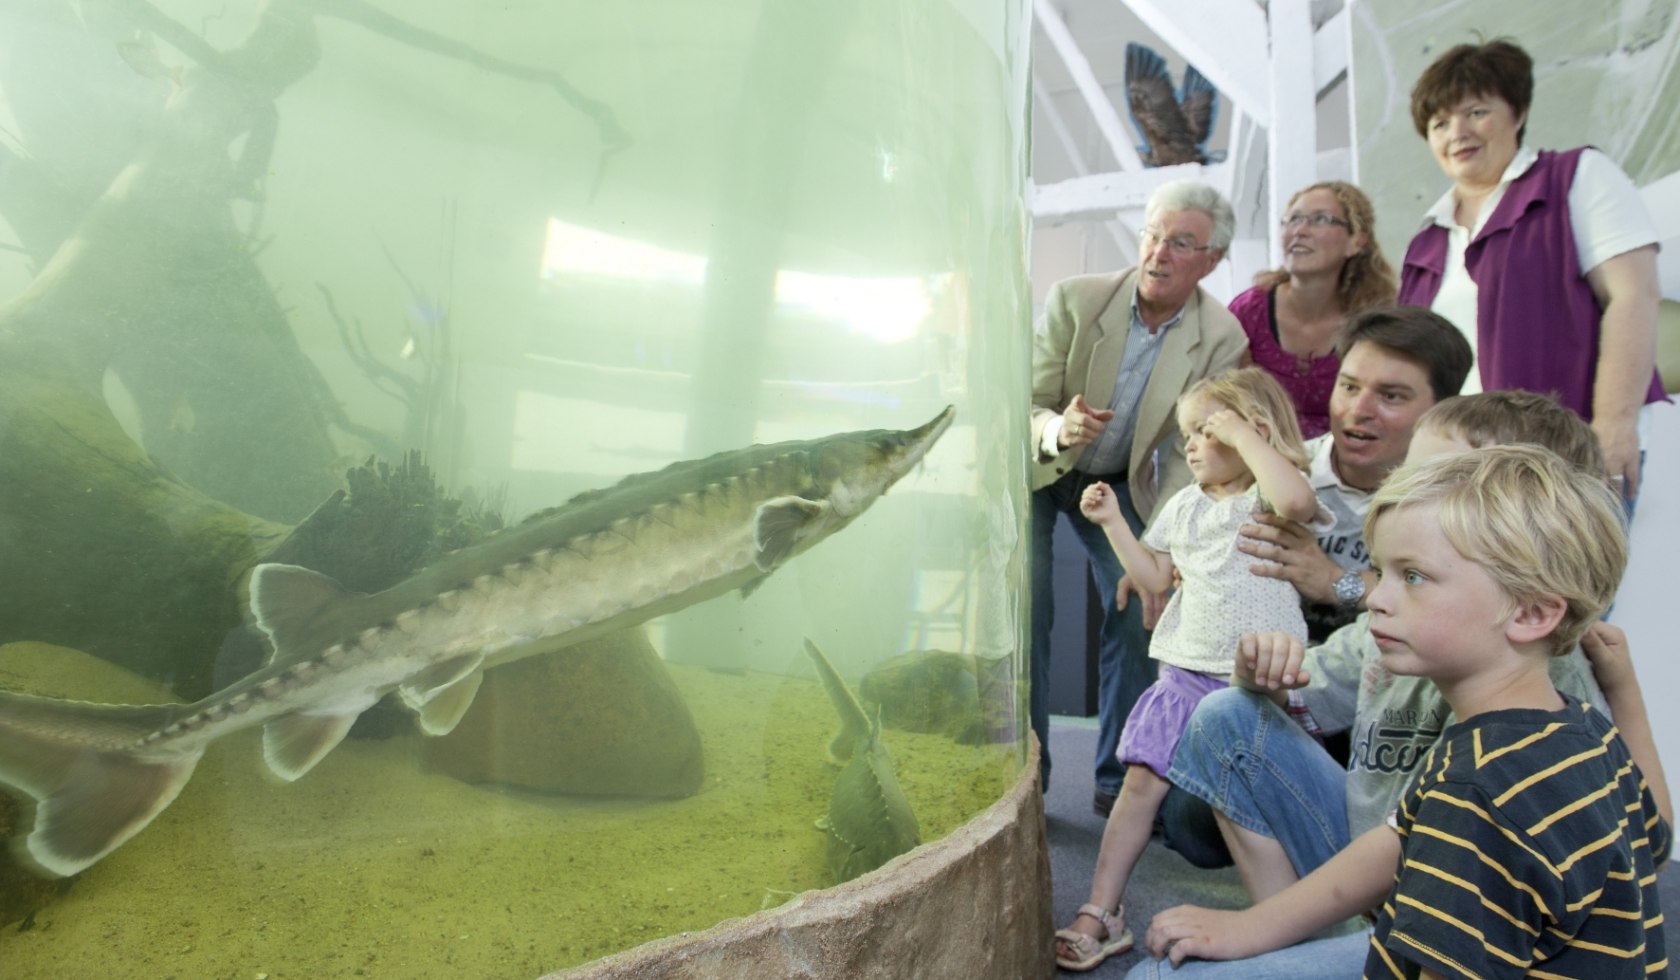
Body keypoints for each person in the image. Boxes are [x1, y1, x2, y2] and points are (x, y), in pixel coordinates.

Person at [1130, 446, 1671, 978]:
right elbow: (1398, 839)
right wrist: (1253, 930)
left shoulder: (1477, 791)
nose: (1378, 599)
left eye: (1412, 577)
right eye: (1381, 573)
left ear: (1530, 613)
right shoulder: (1578, 727)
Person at [1156, 391, 1615, 915]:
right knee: (1226, 715)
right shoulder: (1390, 630)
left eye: (1440, 483)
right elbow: (1286, 703)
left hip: (1441, 919)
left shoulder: (1547, 700)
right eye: (1404, 479)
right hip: (1366, 871)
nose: (1400, 500)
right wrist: (1263, 675)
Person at [1054, 368, 1327, 972]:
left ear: (1251, 431)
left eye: (1206, 431)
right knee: (1138, 790)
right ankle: (1102, 910)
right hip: (1182, 679)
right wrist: (1114, 525)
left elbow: (1299, 501)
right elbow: (1154, 582)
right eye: (1188, 435)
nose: (1191, 445)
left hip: (1252, 687)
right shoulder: (1183, 506)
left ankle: (1277, 927)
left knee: (1244, 808)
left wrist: (1248, 435)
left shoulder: (1270, 497)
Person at [1029, 180, 1248, 812]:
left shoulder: (1222, 339)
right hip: (1042, 473)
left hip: (1121, 484)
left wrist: (1161, 552)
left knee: (1140, 608)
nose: (1158, 253)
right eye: (1154, 234)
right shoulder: (1077, 299)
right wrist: (1054, 429)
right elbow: (1025, 399)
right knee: (1029, 606)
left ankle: (1116, 779)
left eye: (1181, 242)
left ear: (1211, 259)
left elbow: (1190, 453)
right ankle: (1029, 774)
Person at [1397, 39, 1667, 502]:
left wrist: (1614, 423)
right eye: (1440, 122)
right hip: (1460, 473)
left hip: (1568, 458)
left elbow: (1633, 295)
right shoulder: (1426, 240)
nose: (1457, 131)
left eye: (1476, 111)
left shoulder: (1574, 177)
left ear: (1518, 113)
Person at [1233, 306, 1472, 645]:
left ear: (1442, 411)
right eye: (1348, 387)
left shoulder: (1457, 501)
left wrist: (1333, 581)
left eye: (1390, 396)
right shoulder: (1276, 474)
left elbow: (1450, 598)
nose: (1358, 411)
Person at [1231, 181, 1397, 439]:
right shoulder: (1249, 311)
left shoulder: (1377, 321)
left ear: (1357, 241)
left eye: (1320, 219)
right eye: (1293, 219)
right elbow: (1224, 398)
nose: (1300, 230)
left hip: (1351, 462)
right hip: (1261, 458)